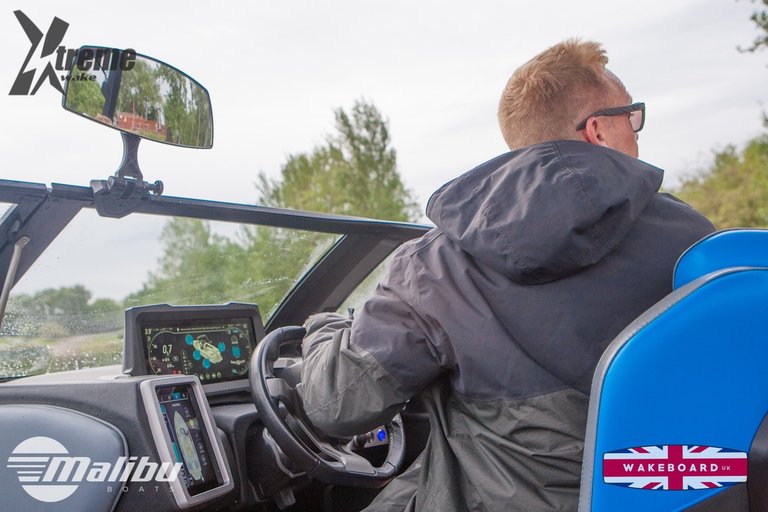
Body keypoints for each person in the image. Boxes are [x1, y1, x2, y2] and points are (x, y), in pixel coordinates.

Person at [297, 39, 715, 511]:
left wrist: (325, 328)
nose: (638, 131)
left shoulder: (436, 265)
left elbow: (335, 406)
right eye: (632, 116)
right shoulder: (697, 243)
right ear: (598, 130)